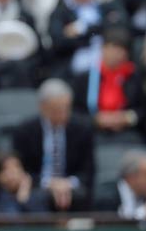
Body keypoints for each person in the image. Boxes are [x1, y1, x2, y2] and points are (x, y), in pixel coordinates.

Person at [12, 78, 96, 212]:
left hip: (71, 187)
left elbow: (88, 171)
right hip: (39, 185)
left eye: (66, 109)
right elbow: (22, 170)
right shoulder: (25, 131)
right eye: (57, 110)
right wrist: (49, 183)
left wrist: (68, 183)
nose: (63, 115)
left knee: (82, 197)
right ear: (42, 107)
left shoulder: (82, 130)